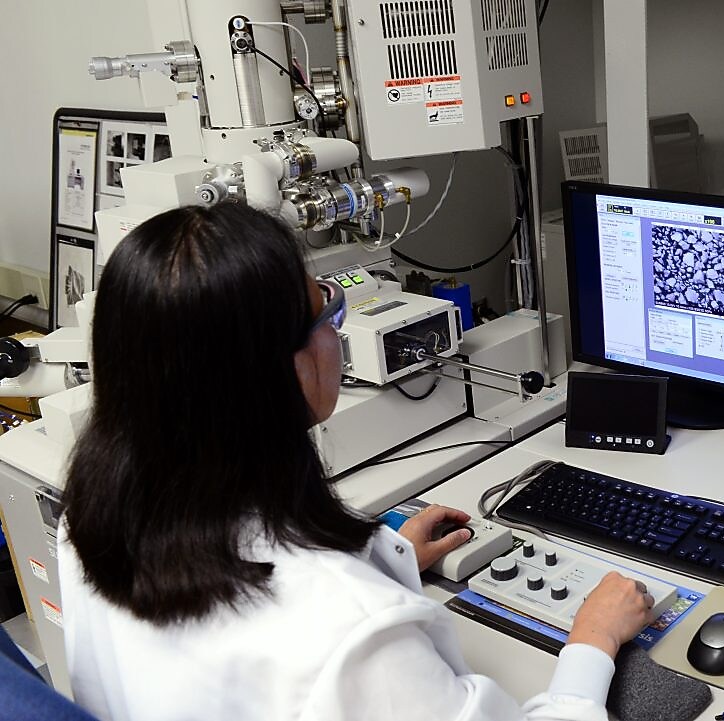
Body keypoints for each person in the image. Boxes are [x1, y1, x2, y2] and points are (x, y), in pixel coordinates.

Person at [58, 203, 654, 721]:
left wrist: (387, 564)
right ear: (283, 370)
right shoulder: (349, 632)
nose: (337, 335)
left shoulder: (93, 520)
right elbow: (331, 638)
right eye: (327, 313)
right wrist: (593, 638)